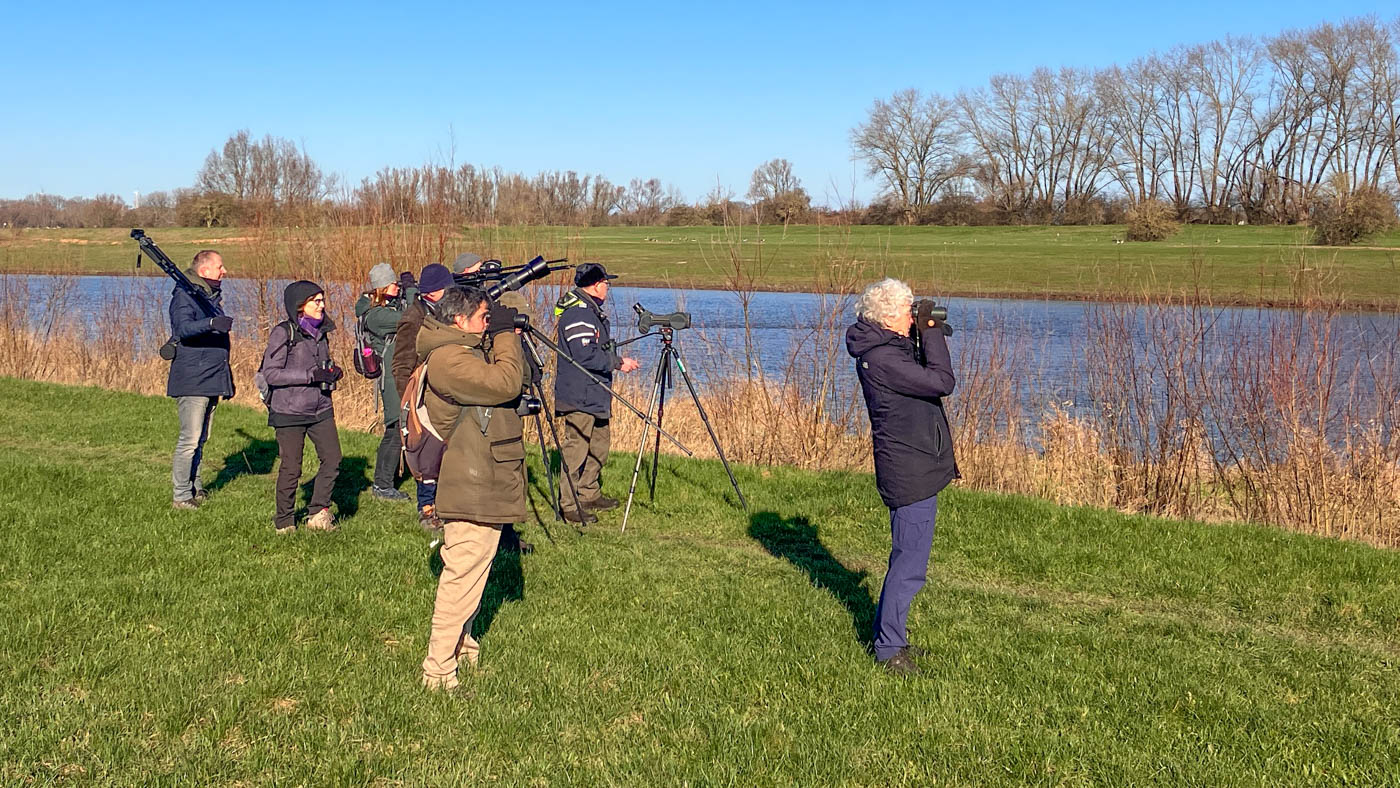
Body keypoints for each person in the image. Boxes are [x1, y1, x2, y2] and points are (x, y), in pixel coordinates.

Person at [844, 278, 958, 676]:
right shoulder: (886, 359)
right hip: (909, 470)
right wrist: (930, 332)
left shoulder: (885, 348)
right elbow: (943, 381)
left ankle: (890, 636)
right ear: (890, 316)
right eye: (909, 311)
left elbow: (924, 369)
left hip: (913, 462)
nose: (913, 316)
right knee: (909, 564)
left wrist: (928, 332)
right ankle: (890, 650)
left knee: (907, 557)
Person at [417, 287, 528, 688]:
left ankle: (464, 645)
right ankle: (438, 670)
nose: (488, 323)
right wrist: (503, 335)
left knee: (474, 572)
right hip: (470, 481)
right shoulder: (448, 359)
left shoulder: (463, 352)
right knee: (461, 575)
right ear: (459, 321)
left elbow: (520, 377)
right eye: (484, 317)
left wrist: (504, 337)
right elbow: (505, 384)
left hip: (482, 475)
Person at [552, 263, 639, 523]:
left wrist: (612, 357)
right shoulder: (577, 314)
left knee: (600, 445)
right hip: (579, 394)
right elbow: (583, 354)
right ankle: (568, 505)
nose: (608, 288)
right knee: (576, 448)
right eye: (606, 283)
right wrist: (617, 362)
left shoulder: (591, 312)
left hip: (596, 393)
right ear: (596, 285)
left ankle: (589, 492)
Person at [260, 281, 345, 534]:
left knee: (333, 459)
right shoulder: (283, 333)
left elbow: (319, 366)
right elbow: (271, 374)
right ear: (300, 306)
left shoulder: (322, 333)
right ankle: (284, 521)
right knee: (291, 467)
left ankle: (319, 513)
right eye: (315, 301)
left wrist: (332, 371)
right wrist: (311, 375)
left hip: (320, 407)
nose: (322, 305)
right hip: (289, 411)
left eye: (322, 300)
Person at [167, 249, 234, 510]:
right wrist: (211, 323)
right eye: (220, 266)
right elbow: (182, 329)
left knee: (202, 438)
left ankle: (195, 486)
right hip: (193, 378)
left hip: (211, 376)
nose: (224, 271)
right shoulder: (184, 295)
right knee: (190, 439)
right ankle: (181, 495)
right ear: (204, 271)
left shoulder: (208, 297)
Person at [391, 262, 454, 530]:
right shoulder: (413, 318)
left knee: (446, 453)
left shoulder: (444, 314)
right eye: (444, 289)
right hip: (420, 396)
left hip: (444, 394)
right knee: (426, 456)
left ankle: (449, 506)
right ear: (430, 293)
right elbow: (401, 364)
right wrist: (409, 401)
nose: (450, 293)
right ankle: (427, 509)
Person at [354, 262, 410, 502]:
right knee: (395, 428)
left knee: (398, 427)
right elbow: (408, 319)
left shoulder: (380, 307)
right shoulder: (376, 315)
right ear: (381, 288)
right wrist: (414, 293)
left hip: (396, 373)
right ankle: (383, 485)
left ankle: (386, 482)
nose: (397, 287)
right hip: (390, 377)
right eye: (393, 284)